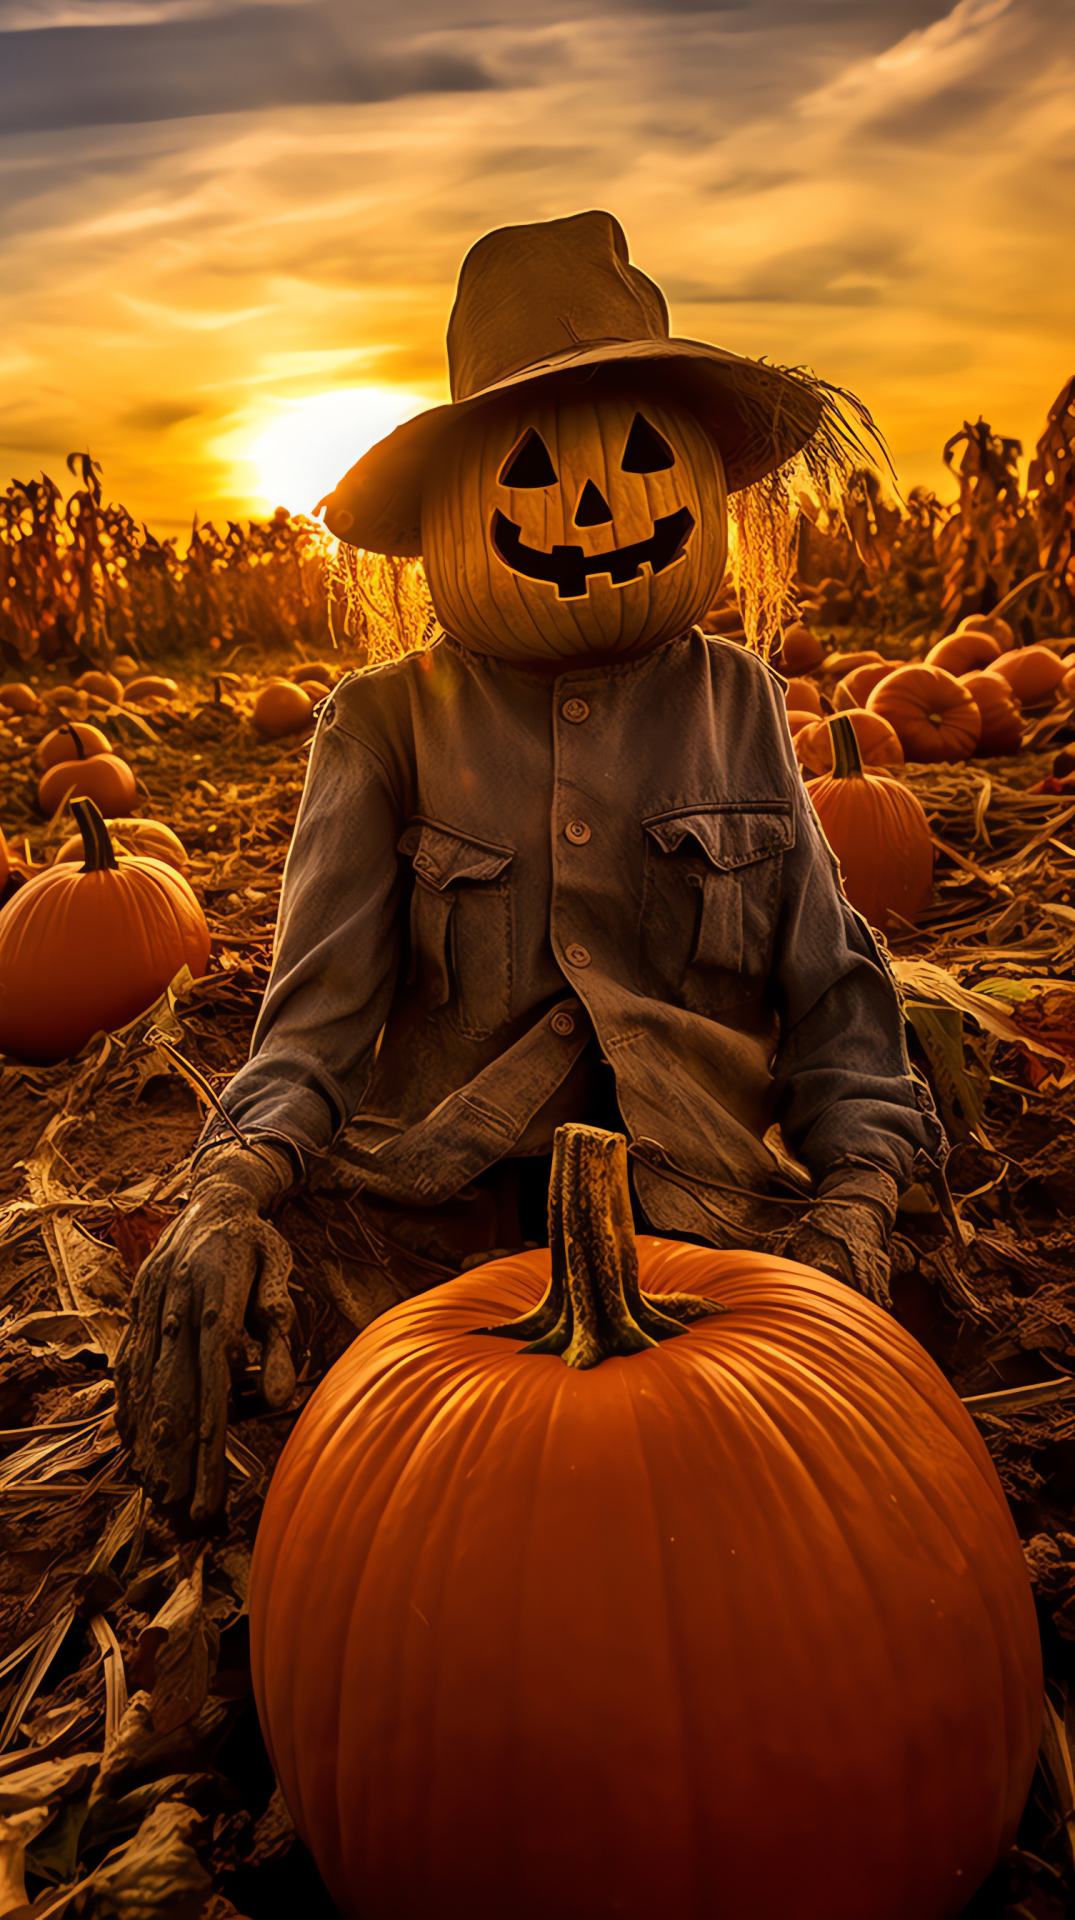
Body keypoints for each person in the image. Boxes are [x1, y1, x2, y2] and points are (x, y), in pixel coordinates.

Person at [115, 210, 946, 1526]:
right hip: (432, 1232)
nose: (591, 508)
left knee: (793, 1503)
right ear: (452, 506)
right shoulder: (382, 727)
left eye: (634, 457)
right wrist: (225, 1193)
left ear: (703, 488)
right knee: (320, 1443)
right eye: (525, 469)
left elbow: (840, 1005)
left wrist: (855, 1204)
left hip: (705, 1224)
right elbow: (311, 1034)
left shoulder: (739, 707)